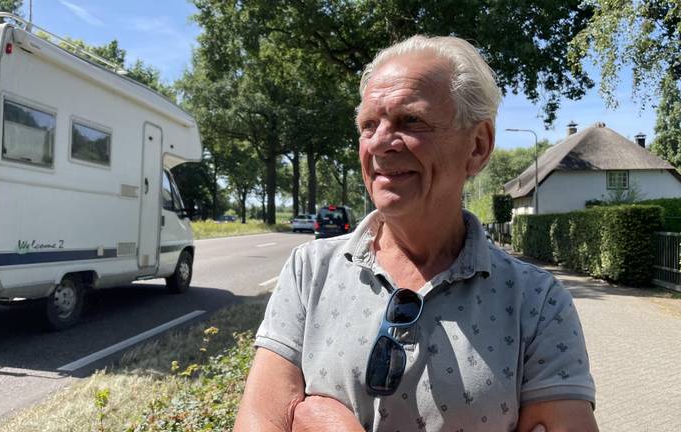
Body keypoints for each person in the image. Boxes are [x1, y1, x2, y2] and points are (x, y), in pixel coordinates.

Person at [234, 35, 597, 432]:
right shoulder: (310, 271)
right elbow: (259, 421)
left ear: (477, 146)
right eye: (368, 125)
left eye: (411, 121)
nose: (380, 143)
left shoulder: (537, 302)